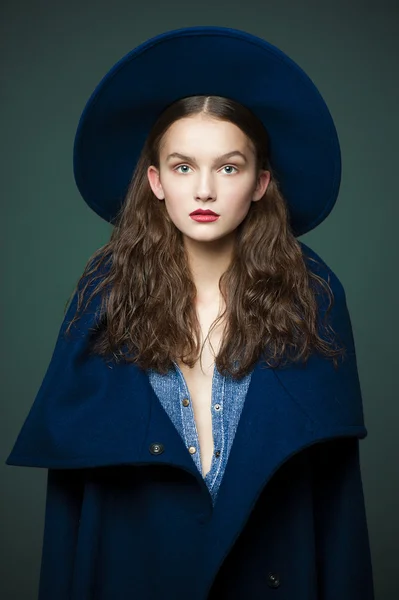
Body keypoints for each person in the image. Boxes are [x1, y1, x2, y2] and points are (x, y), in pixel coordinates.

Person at [5, 25, 375, 599]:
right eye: (182, 167)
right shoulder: (101, 302)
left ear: (260, 183)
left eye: (228, 167)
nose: (204, 189)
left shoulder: (314, 299)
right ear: (155, 181)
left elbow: (335, 498)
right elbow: (72, 505)